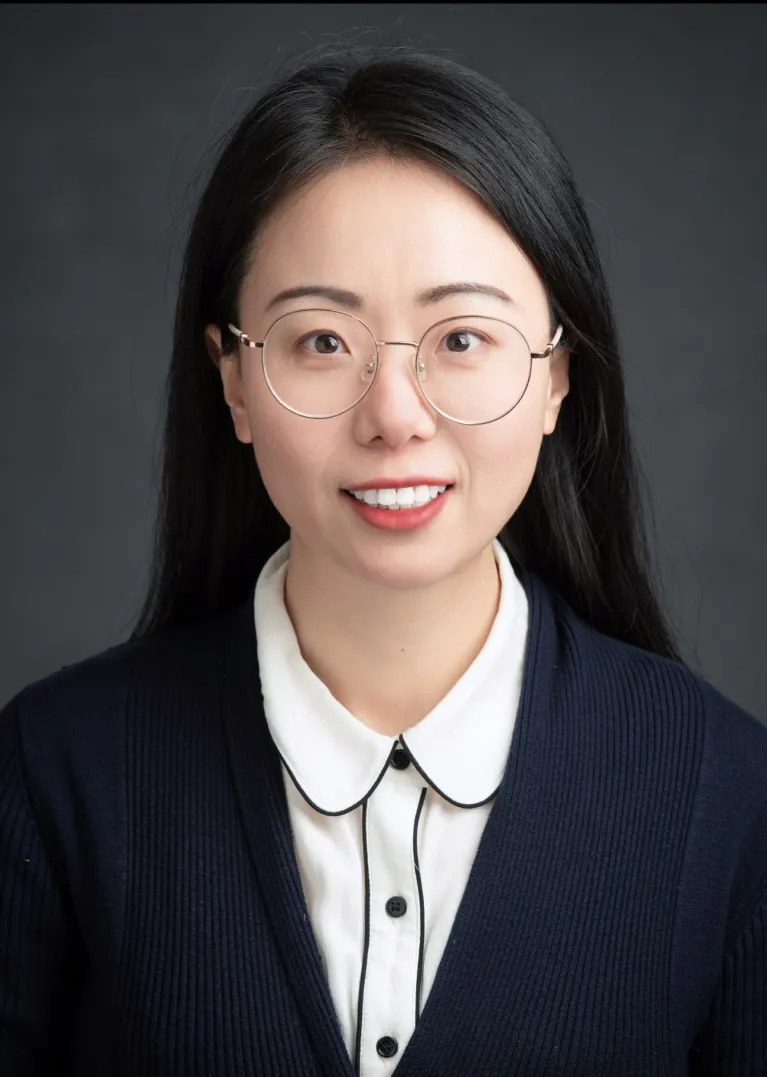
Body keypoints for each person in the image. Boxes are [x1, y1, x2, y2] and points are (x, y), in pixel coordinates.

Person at [1, 41, 765, 1077]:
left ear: (555, 376)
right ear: (231, 380)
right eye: (321, 341)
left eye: (461, 338)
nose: (394, 416)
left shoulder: (726, 795)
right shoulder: (52, 775)